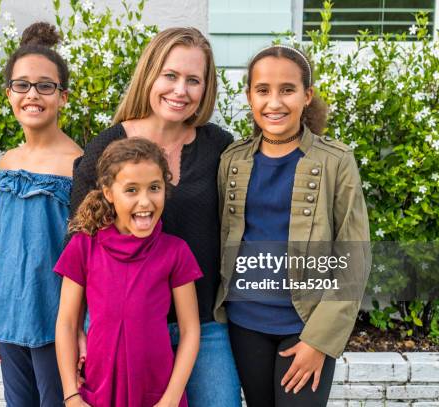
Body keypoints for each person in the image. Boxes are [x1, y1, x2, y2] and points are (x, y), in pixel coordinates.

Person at [67, 27, 242, 407]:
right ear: (150, 75)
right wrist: (80, 327)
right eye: (171, 76)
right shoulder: (109, 145)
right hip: (122, 328)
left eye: (193, 80)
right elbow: (80, 239)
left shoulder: (219, 147)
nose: (180, 90)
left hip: (203, 326)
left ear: (205, 88)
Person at [214, 45, 370, 406]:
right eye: (263, 90)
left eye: (287, 89)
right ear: (249, 96)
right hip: (244, 321)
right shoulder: (232, 160)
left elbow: (353, 257)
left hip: (305, 325)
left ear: (307, 95)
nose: (275, 102)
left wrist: (320, 340)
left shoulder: (336, 161)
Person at [0, 22, 82, 407]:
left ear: (63, 96)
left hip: (56, 321)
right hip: (9, 315)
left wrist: (83, 328)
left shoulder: (80, 165)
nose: (32, 94)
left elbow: (89, 254)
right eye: (22, 85)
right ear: (9, 94)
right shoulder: (8, 162)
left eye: (45, 86)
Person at [54, 138, 202, 407]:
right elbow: (65, 323)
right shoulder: (83, 247)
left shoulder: (176, 252)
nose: (145, 201)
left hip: (157, 395)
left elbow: (190, 330)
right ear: (109, 193)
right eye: (131, 190)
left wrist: (170, 399)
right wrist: (71, 395)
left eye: (154, 188)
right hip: (98, 393)